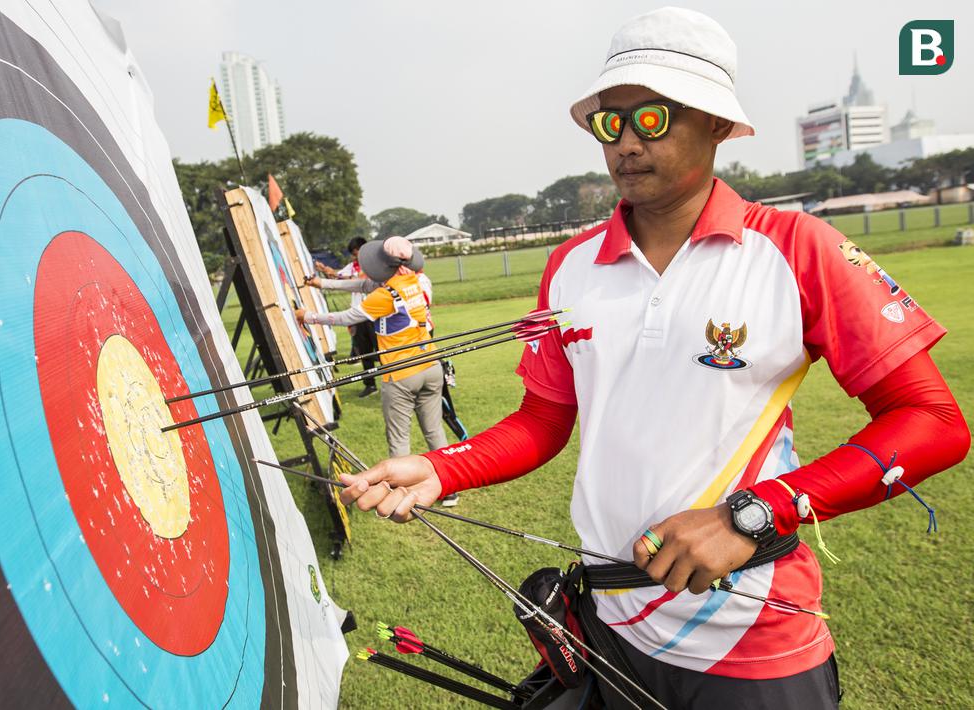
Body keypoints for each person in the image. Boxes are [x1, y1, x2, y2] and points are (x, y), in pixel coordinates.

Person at [336, 7, 969, 709]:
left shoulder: (797, 248)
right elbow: (543, 422)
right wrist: (438, 465)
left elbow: (931, 420)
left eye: (653, 118)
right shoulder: (568, 267)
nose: (626, 143)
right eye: (611, 122)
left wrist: (749, 516)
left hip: (751, 635)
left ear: (717, 124)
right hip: (609, 630)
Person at [307, 251, 460, 507]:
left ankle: (404, 496)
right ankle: (450, 490)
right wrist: (321, 283)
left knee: (399, 439)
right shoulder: (414, 281)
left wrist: (309, 317)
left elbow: (348, 317)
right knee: (434, 430)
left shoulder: (384, 295)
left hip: (401, 374)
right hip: (431, 366)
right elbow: (360, 284)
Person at [315, 237, 380, 397]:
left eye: (356, 253)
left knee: (381, 350)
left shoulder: (375, 266)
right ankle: (370, 384)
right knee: (365, 353)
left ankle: (391, 379)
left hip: (375, 314)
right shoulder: (352, 267)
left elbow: (358, 281)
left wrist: (334, 275)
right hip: (358, 315)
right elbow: (338, 277)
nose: (355, 257)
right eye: (353, 254)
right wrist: (326, 271)